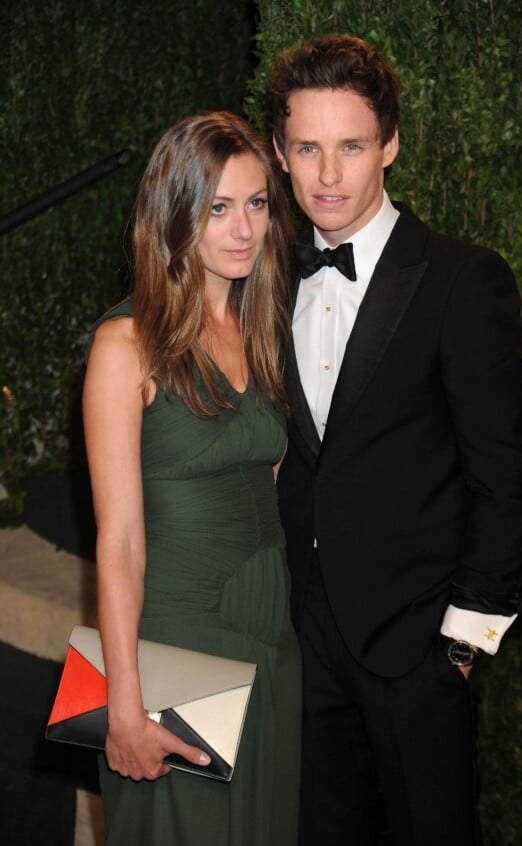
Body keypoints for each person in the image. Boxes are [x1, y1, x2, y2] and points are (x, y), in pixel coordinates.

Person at [269, 34, 522, 846]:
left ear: (390, 144)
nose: (328, 175)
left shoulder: (463, 279)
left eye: (350, 147)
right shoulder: (265, 278)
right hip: (299, 641)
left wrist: (463, 641)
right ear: (280, 156)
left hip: (419, 649)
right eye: (307, 149)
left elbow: (507, 478)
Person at [82, 111, 301, 846]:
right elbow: (118, 543)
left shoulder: (264, 329)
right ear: (175, 213)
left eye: (257, 203)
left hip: (272, 638)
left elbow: (266, 483)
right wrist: (123, 705)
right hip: (177, 642)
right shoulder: (126, 345)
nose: (244, 229)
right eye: (217, 207)